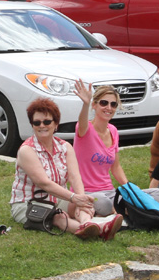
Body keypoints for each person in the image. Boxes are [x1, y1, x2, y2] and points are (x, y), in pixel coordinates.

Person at [10, 97, 110, 240]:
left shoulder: (65, 147)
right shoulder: (27, 150)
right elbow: (43, 183)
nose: (41, 126)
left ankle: (88, 223)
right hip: (29, 203)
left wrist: (80, 199)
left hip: (57, 199)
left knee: (80, 205)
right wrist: (73, 197)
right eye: (36, 122)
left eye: (47, 122)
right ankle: (97, 230)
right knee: (57, 217)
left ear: (56, 124)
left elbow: (75, 177)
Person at [71, 80, 128, 238]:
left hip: (109, 191)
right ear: (94, 105)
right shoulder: (84, 129)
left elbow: (116, 168)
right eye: (104, 103)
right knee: (103, 202)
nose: (109, 108)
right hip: (89, 192)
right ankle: (111, 218)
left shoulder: (113, 131)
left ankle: (109, 218)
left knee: (154, 194)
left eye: (113, 104)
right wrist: (85, 103)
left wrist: (130, 189)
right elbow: (82, 124)